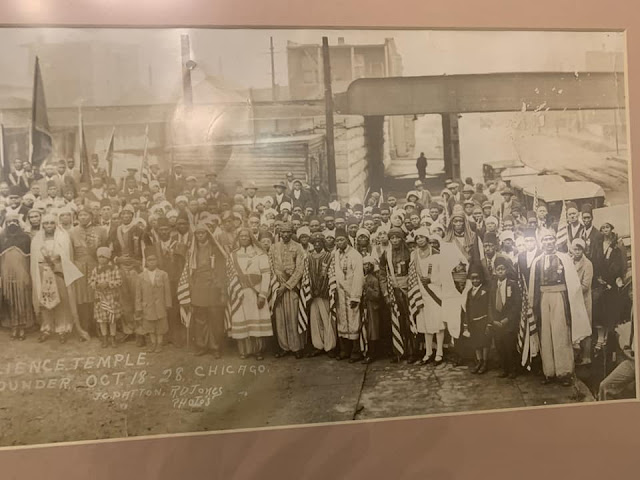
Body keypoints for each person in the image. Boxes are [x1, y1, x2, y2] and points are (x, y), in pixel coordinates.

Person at [528, 230, 591, 386]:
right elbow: (533, 286)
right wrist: (533, 305)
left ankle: (565, 372)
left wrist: (570, 303)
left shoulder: (565, 259)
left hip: (560, 297)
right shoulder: (537, 261)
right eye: (545, 239)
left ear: (555, 241)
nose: (548, 242)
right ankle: (549, 371)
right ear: (541, 242)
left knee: (560, 332)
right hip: (543, 298)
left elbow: (574, 284)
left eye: (551, 239)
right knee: (546, 333)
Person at [31, 213, 84, 344]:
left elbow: (67, 256)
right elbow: (34, 259)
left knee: (62, 300)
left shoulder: (63, 236)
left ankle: (63, 329)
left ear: (56, 224)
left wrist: (57, 261)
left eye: (51, 223)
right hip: (43, 271)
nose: (49, 226)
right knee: (45, 299)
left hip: (59, 271)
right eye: (46, 223)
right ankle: (46, 328)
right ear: (42, 225)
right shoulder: (37, 239)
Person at [379, 227, 419, 364]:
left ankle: (414, 351)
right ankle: (401, 351)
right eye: (392, 238)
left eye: (397, 237)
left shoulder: (410, 253)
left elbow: (415, 272)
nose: (395, 240)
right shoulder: (386, 254)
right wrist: (386, 294)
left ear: (402, 238)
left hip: (409, 290)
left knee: (411, 320)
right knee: (399, 321)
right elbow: (383, 275)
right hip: (394, 290)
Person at [70, 205, 108, 337]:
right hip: (79, 267)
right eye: (80, 215)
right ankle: (84, 327)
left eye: (86, 215)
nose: (83, 217)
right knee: (82, 298)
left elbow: (104, 248)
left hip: (95, 266)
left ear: (91, 216)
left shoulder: (101, 230)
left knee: (96, 295)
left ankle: (98, 326)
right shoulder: (72, 231)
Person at [189, 223, 226, 358]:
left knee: (215, 319)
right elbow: (189, 271)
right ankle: (201, 346)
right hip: (199, 286)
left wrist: (218, 286)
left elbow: (221, 269)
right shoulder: (193, 250)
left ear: (208, 234)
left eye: (202, 233)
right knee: (200, 319)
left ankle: (215, 347)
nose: (200, 236)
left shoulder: (215, 249)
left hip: (213, 287)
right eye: (197, 233)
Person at [270, 222, 306, 358]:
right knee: (281, 317)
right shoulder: (273, 248)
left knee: (293, 316)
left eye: (288, 232)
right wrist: (278, 283)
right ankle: (284, 346)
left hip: (292, 288)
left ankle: (296, 347)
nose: (285, 234)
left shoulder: (298, 247)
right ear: (279, 233)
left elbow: (299, 269)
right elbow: (271, 266)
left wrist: (287, 285)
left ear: (292, 233)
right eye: (283, 232)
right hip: (278, 287)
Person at [412, 227, 446, 366]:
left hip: (435, 291)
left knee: (437, 323)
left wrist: (431, 280)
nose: (420, 240)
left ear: (427, 239)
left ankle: (439, 352)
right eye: (417, 238)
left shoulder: (437, 254)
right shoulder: (414, 255)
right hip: (421, 292)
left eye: (422, 237)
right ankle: (428, 352)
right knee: (425, 324)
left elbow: (443, 274)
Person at [0, 212, 34, 339]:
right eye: (9, 222)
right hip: (6, 275)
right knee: (10, 300)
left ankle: (23, 325)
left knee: (22, 299)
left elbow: (29, 258)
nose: (12, 224)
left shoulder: (25, 238)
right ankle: (13, 325)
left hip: (22, 274)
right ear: (5, 223)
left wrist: (28, 275)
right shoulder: (1, 237)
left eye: (15, 221)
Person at [333, 228, 365, 363]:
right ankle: (344, 350)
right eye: (337, 240)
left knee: (354, 321)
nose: (339, 242)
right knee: (342, 321)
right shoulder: (335, 254)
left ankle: (356, 351)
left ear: (347, 240)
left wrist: (355, 296)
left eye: (341, 240)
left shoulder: (355, 255)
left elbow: (359, 277)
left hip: (352, 292)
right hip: (340, 293)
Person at [487, 256, 522, 379]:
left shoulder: (512, 285)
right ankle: (504, 369)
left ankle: (513, 369)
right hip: (497, 322)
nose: (500, 271)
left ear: (506, 270)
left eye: (502, 269)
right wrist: (493, 320)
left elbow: (516, 305)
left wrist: (507, 319)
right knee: (499, 346)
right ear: (495, 271)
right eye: (498, 269)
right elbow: (490, 304)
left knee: (509, 347)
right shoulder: (493, 286)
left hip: (508, 322)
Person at [594, 221, 626, 352]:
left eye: (607, 227)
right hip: (600, 281)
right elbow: (595, 260)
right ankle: (600, 338)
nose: (605, 230)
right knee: (599, 310)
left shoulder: (617, 244)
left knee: (610, 310)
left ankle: (608, 337)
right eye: (603, 228)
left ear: (611, 229)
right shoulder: (598, 244)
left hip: (612, 282)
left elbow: (619, 263)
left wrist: (610, 280)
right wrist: (598, 278)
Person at [135, 248, 172, 353]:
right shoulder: (141, 276)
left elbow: (167, 291)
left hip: (160, 305)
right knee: (150, 325)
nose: (152, 262)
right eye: (149, 260)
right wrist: (138, 307)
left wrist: (168, 304)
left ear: (157, 261)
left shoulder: (163, 274)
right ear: (146, 262)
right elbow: (138, 294)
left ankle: (159, 343)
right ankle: (153, 343)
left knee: (160, 325)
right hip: (148, 306)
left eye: (154, 260)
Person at [306, 233, 335, 357]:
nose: (317, 244)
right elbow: (306, 274)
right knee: (315, 319)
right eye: (315, 242)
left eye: (320, 242)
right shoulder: (309, 257)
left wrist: (324, 288)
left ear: (323, 243)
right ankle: (318, 345)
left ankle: (330, 346)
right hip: (313, 293)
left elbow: (331, 274)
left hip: (324, 293)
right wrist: (311, 289)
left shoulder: (329, 256)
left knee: (326, 318)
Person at [89, 247, 122, 348]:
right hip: (100, 299)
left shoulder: (114, 269)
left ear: (108, 258)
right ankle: (104, 338)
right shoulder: (95, 270)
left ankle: (113, 337)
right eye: (99, 257)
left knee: (112, 319)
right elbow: (90, 282)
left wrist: (108, 283)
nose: (101, 259)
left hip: (111, 298)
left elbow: (119, 281)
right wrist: (97, 284)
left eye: (103, 257)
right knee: (102, 320)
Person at [464, 264, 491, 374]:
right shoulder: (470, 292)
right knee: (476, 343)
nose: (475, 280)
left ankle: (485, 362)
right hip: (473, 321)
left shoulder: (485, 291)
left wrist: (489, 322)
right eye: (473, 278)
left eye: (477, 278)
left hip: (483, 320)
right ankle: (479, 361)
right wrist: (466, 324)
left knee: (484, 342)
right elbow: (467, 308)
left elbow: (489, 307)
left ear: (481, 279)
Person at [571, 238, 594, 365]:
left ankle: (586, 357)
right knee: (574, 326)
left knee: (585, 326)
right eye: (575, 249)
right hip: (572, 301)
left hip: (583, 300)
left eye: (580, 249)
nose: (577, 251)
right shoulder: (568, 262)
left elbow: (585, 286)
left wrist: (572, 291)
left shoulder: (588, 264)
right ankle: (575, 355)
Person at [361, 255, 382, 364]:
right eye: (364, 265)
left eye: (368, 265)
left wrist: (367, 289)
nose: (366, 267)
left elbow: (377, 294)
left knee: (372, 330)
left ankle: (373, 353)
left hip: (372, 307)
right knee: (365, 329)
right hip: (364, 306)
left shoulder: (373, 279)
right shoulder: (362, 277)